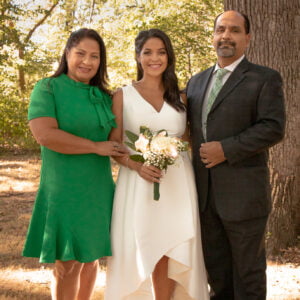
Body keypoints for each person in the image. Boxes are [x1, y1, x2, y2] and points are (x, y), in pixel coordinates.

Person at [186, 10, 285, 300]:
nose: (226, 36)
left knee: (248, 275)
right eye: (220, 30)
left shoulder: (264, 78)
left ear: (248, 38)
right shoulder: (196, 82)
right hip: (204, 197)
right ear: (213, 36)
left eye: (234, 30)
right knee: (217, 275)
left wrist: (226, 149)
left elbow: (273, 128)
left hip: (244, 197)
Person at [22, 28, 127, 300]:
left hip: (98, 189)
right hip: (64, 189)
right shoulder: (47, 88)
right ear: (67, 53)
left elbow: (118, 140)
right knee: (67, 265)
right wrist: (95, 147)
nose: (87, 61)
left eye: (94, 56)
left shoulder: (105, 97)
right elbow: (45, 135)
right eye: (80, 53)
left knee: (91, 259)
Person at [105, 29, 209, 300]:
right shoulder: (122, 96)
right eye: (148, 52)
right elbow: (115, 145)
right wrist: (136, 165)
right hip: (139, 183)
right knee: (145, 245)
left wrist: (172, 152)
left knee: (175, 247)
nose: (155, 58)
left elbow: (187, 140)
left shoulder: (182, 97)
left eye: (161, 52)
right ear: (138, 57)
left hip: (178, 183)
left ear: (168, 56)